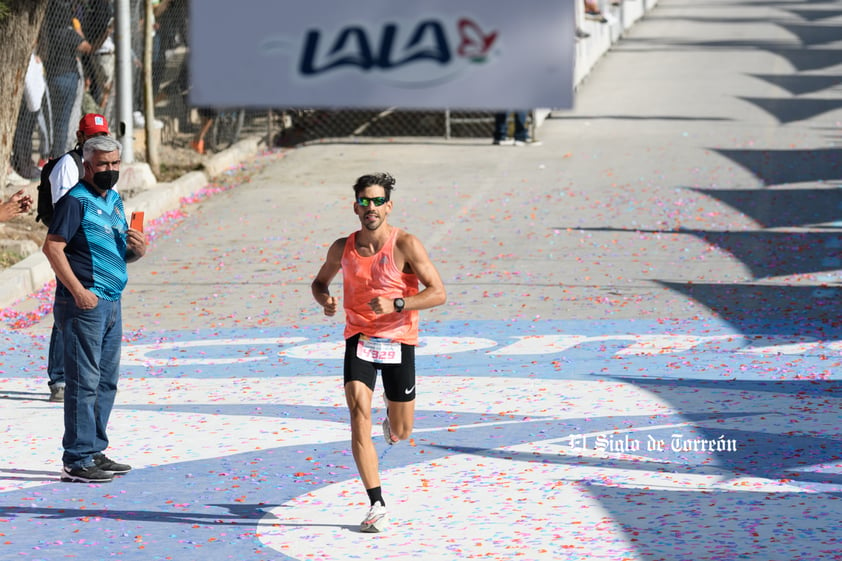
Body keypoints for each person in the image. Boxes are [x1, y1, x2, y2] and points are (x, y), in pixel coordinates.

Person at [311, 172, 447, 533]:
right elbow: (319, 281)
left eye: (377, 201)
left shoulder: (406, 244)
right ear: (355, 206)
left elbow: (438, 293)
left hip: (398, 340)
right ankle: (376, 503)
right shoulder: (342, 247)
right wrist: (325, 299)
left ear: (389, 205)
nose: (370, 207)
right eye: (364, 201)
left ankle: (394, 415)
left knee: (401, 430)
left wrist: (398, 302)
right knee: (358, 414)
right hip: (360, 338)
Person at [42, 135, 147, 483]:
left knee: (105, 382)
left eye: (115, 163)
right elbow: (53, 248)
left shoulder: (115, 199)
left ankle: (94, 449)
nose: (110, 170)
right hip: (84, 304)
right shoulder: (75, 202)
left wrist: (136, 250)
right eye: (103, 164)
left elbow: (116, 252)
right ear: (87, 166)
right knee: (83, 382)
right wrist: (78, 291)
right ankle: (76, 459)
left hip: (112, 301)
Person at [44, 113, 111, 403]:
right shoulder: (67, 167)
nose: (97, 141)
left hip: (97, 251)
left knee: (86, 315)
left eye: (102, 135)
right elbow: (66, 212)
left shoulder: (104, 166)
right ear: (80, 137)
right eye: (92, 136)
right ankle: (59, 378)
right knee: (68, 310)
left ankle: (84, 374)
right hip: (73, 249)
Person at [43, 0, 92, 158]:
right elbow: (87, 48)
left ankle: (53, 152)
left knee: (54, 118)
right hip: (68, 77)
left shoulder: (48, 33)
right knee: (64, 120)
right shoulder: (68, 32)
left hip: (51, 77)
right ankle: (58, 154)